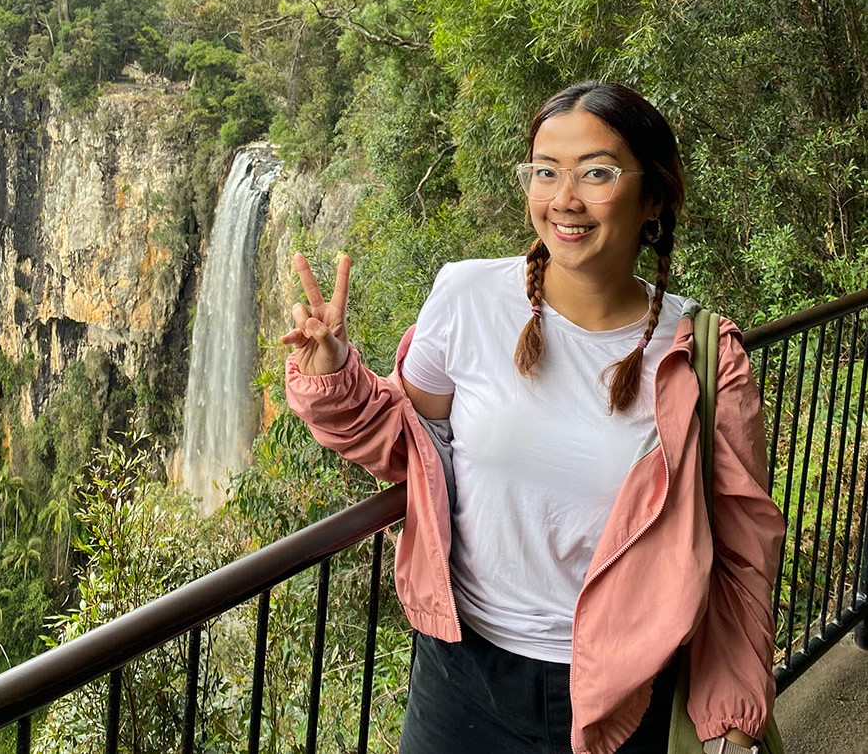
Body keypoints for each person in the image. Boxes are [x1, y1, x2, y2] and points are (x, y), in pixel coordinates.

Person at [281, 81, 785, 754]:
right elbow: (406, 442)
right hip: (461, 673)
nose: (563, 199)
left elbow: (740, 550)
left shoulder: (702, 358)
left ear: (654, 197)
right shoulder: (465, 297)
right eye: (544, 171)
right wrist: (329, 371)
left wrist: (731, 711)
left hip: (627, 688)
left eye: (596, 172)